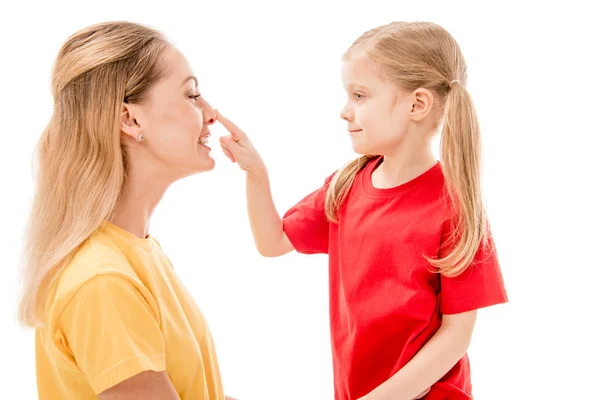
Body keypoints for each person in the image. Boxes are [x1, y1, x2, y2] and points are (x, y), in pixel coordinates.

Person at [218, 21, 508, 400]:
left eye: (359, 96)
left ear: (417, 104)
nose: (344, 111)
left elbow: (455, 337)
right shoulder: (346, 186)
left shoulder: (456, 207)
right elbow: (273, 242)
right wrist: (255, 173)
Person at [18, 21, 234, 400]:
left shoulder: (138, 250)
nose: (210, 112)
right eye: (191, 95)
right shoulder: (103, 280)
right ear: (130, 119)